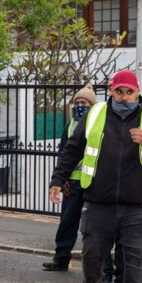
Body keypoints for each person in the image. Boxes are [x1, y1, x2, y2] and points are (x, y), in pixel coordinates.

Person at [49, 70, 142, 283]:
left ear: (138, 92)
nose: (124, 97)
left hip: (140, 204)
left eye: (129, 92)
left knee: (136, 262)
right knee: (93, 256)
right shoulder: (95, 115)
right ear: (111, 91)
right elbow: (73, 148)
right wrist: (58, 179)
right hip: (99, 202)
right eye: (119, 91)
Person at [42, 84, 96, 271]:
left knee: (95, 227)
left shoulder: (99, 124)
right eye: (78, 102)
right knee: (67, 222)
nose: (81, 106)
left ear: (93, 105)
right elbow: (64, 153)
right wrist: (61, 179)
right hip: (72, 182)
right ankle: (61, 259)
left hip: (93, 182)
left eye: (85, 103)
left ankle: (99, 268)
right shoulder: (70, 125)